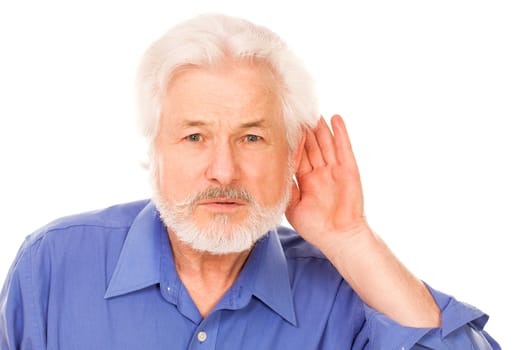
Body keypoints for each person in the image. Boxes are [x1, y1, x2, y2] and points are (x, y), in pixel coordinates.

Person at [0, 13, 500, 350]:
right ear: (154, 150)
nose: (223, 170)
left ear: (294, 153)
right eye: (195, 136)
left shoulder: (348, 291)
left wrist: (351, 238)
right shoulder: (51, 267)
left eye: (252, 138)